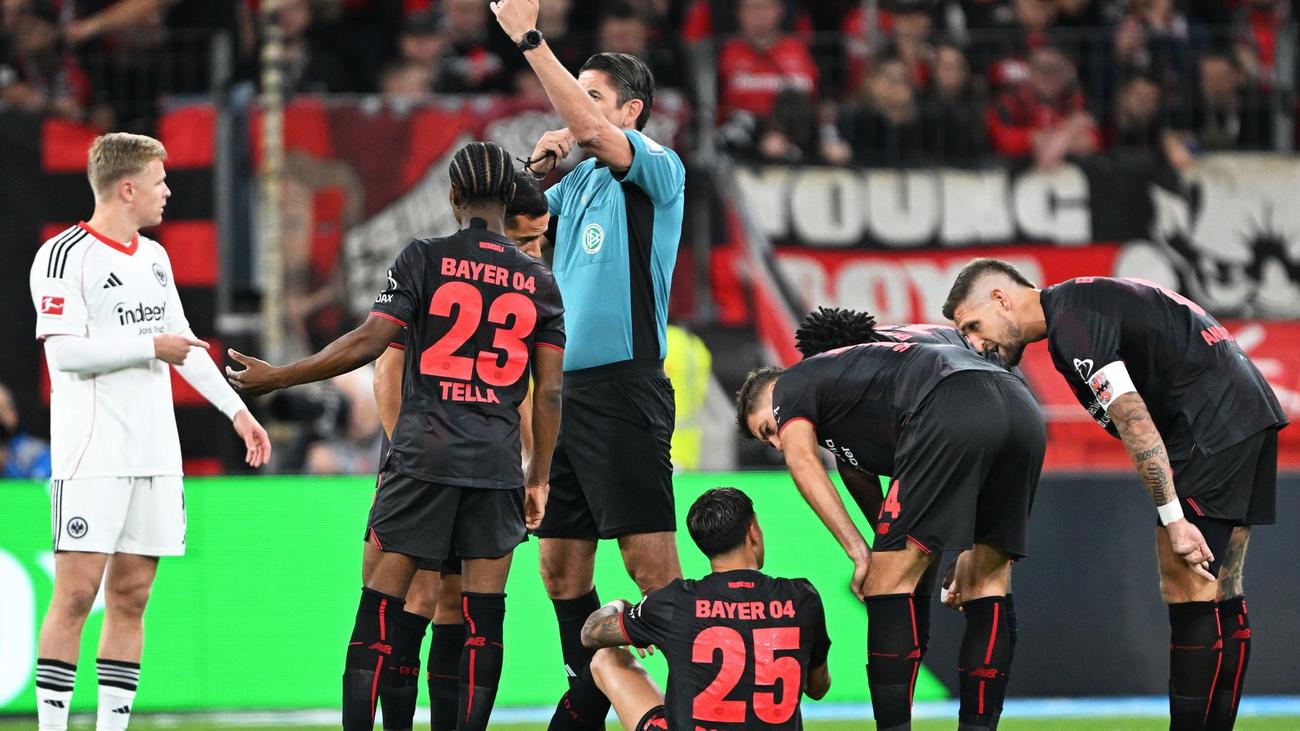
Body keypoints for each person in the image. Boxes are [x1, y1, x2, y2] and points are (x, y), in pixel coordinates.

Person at [225, 141, 566, 731]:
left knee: (379, 617)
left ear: (454, 196)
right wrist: (538, 478)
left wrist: (280, 376)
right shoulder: (539, 282)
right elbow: (551, 393)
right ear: (507, 199)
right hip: (495, 464)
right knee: (483, 624)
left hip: (423, 455)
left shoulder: (424, 257)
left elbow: (369, 342)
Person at [942, 260, 1288, 731]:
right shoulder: (1083, 303)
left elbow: (1131, 417)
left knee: (1188, 585)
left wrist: (1174, 518)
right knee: (1223, 587)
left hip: (1208, 430)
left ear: (1001, 298)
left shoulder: (1072, 323)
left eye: (973, 325)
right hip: (1246, 415)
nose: (975, 343)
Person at [28, 132, 271, 731]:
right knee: (76, 595)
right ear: (127, 188)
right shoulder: (64, 256)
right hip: (93, 455)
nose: (168, 192)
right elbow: (63, 355)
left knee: (132, 595)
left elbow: (183, 346)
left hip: (156, 453)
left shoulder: (155, 258)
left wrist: (236, 411)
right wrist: (148, 346)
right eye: (160, 182)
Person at [490, 3, 687, 728]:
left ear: (631, 111)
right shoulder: (572, 186)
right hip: (559, 397)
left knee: (649, 567)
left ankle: (694, 706)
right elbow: (497, 230)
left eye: (592, 94)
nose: (576, 107)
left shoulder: (656, 169)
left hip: (625, 388)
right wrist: (532, 168)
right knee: (560, 570)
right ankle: (591, 702)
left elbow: (599, 135)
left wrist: (530, 41)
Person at [735, 335, 1045, 731]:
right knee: (985, 582)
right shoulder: (851, 437)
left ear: (773, 395)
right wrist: (941, 552)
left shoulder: (790, 384)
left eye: (769, 428)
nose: (778, 443)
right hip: (1020, 407)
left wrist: (859, 554)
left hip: (950, 403)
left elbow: (803, 462)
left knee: (882, 584)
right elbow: (900, 535)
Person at [369, 171, 554, 731]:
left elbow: (523, 393)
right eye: (525, 240)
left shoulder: (523, 284)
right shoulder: (444, 271)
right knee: (417, 596)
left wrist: (532, 469)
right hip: (424, 453)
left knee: (454, 603)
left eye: (542, 241)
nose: (535, 252)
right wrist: (408, 456)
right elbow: (387, 369)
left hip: (479, 461)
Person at [578, 487, 832, 731]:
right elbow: (817, 688)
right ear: (753, 530)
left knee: (607, 659)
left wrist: (620, 605)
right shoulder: (801, 598)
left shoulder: (675, 601)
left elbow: (590, 633)